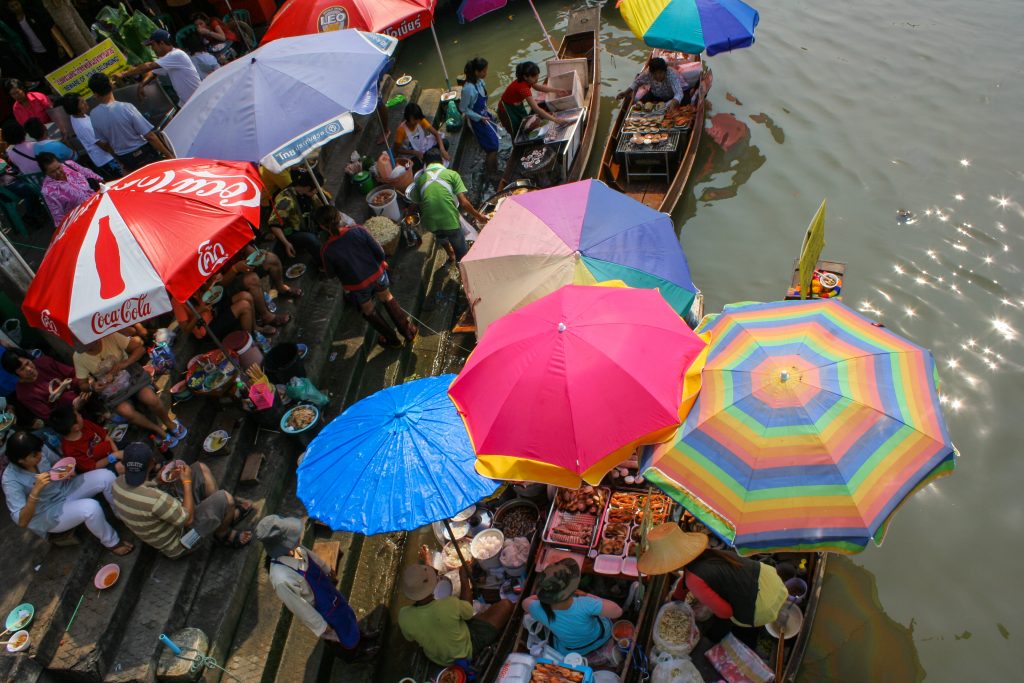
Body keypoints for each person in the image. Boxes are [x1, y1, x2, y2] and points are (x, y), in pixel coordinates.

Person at [640, 523, 787, 647]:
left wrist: (705, 601)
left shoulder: (694, 579)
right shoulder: (707, 553)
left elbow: (725, 613)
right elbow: (687, 580)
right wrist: (676, 598)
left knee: (740, 631)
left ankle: (744, 646)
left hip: (761, 602)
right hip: (768, 577)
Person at [256, 515, 380, 660]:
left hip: (328, 592)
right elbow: (301, 609)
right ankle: (356, 654)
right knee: (340, 637)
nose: (298, 540)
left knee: (347, 614)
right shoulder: (281, 579)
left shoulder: (293, 549)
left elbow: (311, 557)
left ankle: (360, 636)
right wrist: (323, 628)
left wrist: (326, 569)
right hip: (322, 611)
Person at [2, 430, 134, 554]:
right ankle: (112, 543)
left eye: (39, 451)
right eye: (34, 455)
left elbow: (58, 464)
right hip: (48, 511)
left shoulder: (39, 450)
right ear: (21, 460)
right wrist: (35, 491)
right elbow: (22, 521)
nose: (40, 455)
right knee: (91, 508)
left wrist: (68, 471)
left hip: (64, 488)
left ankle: (121, 515)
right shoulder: (10, 480)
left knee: (107, 476)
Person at [112, 442, 254, 556]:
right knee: (226, 498)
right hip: (181, 542)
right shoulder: (156, 499)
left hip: (171, 519)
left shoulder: (118, 482)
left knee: (200, 468)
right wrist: (186, 483)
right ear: (152, 462)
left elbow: (144, 492)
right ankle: (222, 534)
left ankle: (223, 516)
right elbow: (188, 520)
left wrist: (156, 481)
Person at [315, 206, 417, 349]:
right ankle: (408, 332)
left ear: (322, 226)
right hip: (377, 275)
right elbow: (380, 253)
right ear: (340, 217)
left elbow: (331, 274)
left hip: (357, 286)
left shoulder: (326, 250)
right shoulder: (358, 230)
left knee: (368, 310)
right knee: (387, 297)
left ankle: (392, 340)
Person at [73, 331, 185, 450]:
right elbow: (82, 384)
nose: (87, 350)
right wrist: (93, 386)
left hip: (131, 376)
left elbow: (140, 349)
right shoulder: (78, 357)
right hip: (112, 391)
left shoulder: (110, 336)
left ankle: (169, 423)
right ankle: (157, 429)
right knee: (126, 411)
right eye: (84, 348)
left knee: (151, 398)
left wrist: (123, 364)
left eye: (89, 346)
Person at [398, 563, 513, 667]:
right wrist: (464, 578)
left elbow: (411, 638)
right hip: (466, 651)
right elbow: (468, 612)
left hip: (440, 659)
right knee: (506, 605)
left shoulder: (403, 616)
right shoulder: (448, 604)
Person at [522, 558, 623, 666]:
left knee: (527, 617)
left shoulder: (539, 609)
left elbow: (525, 603)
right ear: (572, 589)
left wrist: (545, 596)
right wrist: (586, 594)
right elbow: (618, 611)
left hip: (573, 651)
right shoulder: (585, 603)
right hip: (602, 637)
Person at [407, 148, 487, 264]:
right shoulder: (452, 174)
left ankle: (450, 254)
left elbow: (414, 204)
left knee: (440, 234)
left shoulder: (420, 180)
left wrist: (408, 214)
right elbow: (464, 203)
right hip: (450, 221)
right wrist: (478, 216)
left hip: (431, 223)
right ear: (441, 161)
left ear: (425, 164)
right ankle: (462, 268)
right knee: (462, 252)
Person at [88, 72, 173, 172]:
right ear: (111, 85)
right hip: (144, 154)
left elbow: (105, 144)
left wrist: (120, 161)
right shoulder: (126, 107)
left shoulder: (93, 115)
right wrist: (169, 155)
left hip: (125, 159)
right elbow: (150, 136)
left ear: (95, 94)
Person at [1, 347, 91, 421]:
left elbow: (74, 374)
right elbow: (49, 416)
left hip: (85, 393)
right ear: (15, 374)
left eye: (28, 363)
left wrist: (85, 384)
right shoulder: (24, 394)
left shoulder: (44, 362)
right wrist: (73, 408)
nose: (29, 369)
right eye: (22, 369)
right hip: (73, 417)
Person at [117, 29, 202, 106]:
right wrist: (141, 85)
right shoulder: (167, 60)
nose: (152, 49)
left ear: (161, 43)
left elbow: (149, 66)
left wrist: (123, 74)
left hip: (197, 99)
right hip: (187, 102)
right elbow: (153, 73)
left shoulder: (176, 54)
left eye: (153, 45)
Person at [267, 169, 331, 263]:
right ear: (308, 187)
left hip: (308, 223)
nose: (317, 191)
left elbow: (320, 207)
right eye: (316, 189)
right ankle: (324, 264)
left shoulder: (308, 193)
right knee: (311, 239)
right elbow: (274, 224)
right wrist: (286, 243)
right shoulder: (286, 201)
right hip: (293, 232)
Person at [498, 61, 570, 138]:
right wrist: (555, 120)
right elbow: (536, 109)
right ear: (525, 77)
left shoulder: (527, 80)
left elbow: (538, 87)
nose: (537, 78)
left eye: (537, 75)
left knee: (524, 123)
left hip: (517, 105)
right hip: (507, 109)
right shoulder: (523, 88)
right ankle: (516, 144)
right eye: (534, 77)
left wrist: (557, 90)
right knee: (515, 131)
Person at [61, 92, 123, 179]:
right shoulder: (83, 126)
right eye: (82, 102)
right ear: (75, 108)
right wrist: (119, 157)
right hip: (107, 160)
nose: (85, 103)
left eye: (83, 100)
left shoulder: (76, 116)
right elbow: (103, 145)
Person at [49, 403, 123, 475]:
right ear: (76, 427)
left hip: (113, 449)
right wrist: (113, 456)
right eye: (78, 414)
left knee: (132, 449)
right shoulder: (70, 450)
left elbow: (106, 437)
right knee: (121, 466)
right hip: (102, 466)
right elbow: (93, 467)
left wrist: (117, 453)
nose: (81, 415)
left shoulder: (86, 424)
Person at [459, 57, 500, 181]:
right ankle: (490, 173)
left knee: (494, 142)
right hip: (477, 120)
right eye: (484, 71)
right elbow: (463, 109)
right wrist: (479, 117)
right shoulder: (468, 89)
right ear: (477, 72)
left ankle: (493, 166)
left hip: (485, 115)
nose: (486, 73)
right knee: (492, 147)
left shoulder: (480, 82)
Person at [37, 152, 100, 225]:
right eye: (52, 172)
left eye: (58, 167)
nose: (58, 172)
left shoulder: (70, 165)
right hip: (83, 218)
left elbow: (89, 173)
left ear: (60, 163)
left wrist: (102, 182)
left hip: (97, 202)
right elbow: (58, 217)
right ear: (46, 173)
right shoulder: (48, 191)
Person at [616, 57, 688, 110]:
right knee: (640, 103)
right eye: (655, 74)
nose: (658, 76)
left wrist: (674, 102)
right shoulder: (647, 73)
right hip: (656, 94)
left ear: (665, 71)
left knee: (685, 101)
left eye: (660, 73)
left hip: (672, 95)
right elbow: (637, 83)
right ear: (651, 73)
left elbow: (679, 93)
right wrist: (625, 92)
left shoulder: (671, 74)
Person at [395, 102, 448, 169]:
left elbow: (436, 134)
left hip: (424, 147)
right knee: (411, 165)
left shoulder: (421, 120)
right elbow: (397, 150)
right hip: (412, 155)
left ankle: (430, 158)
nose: (416, 122)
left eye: (417, 120)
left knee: (445, 143)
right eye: (413, 120)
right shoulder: (401, 130)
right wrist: (414, 152)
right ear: (407, 118)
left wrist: (442, 150)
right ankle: (431, 158)